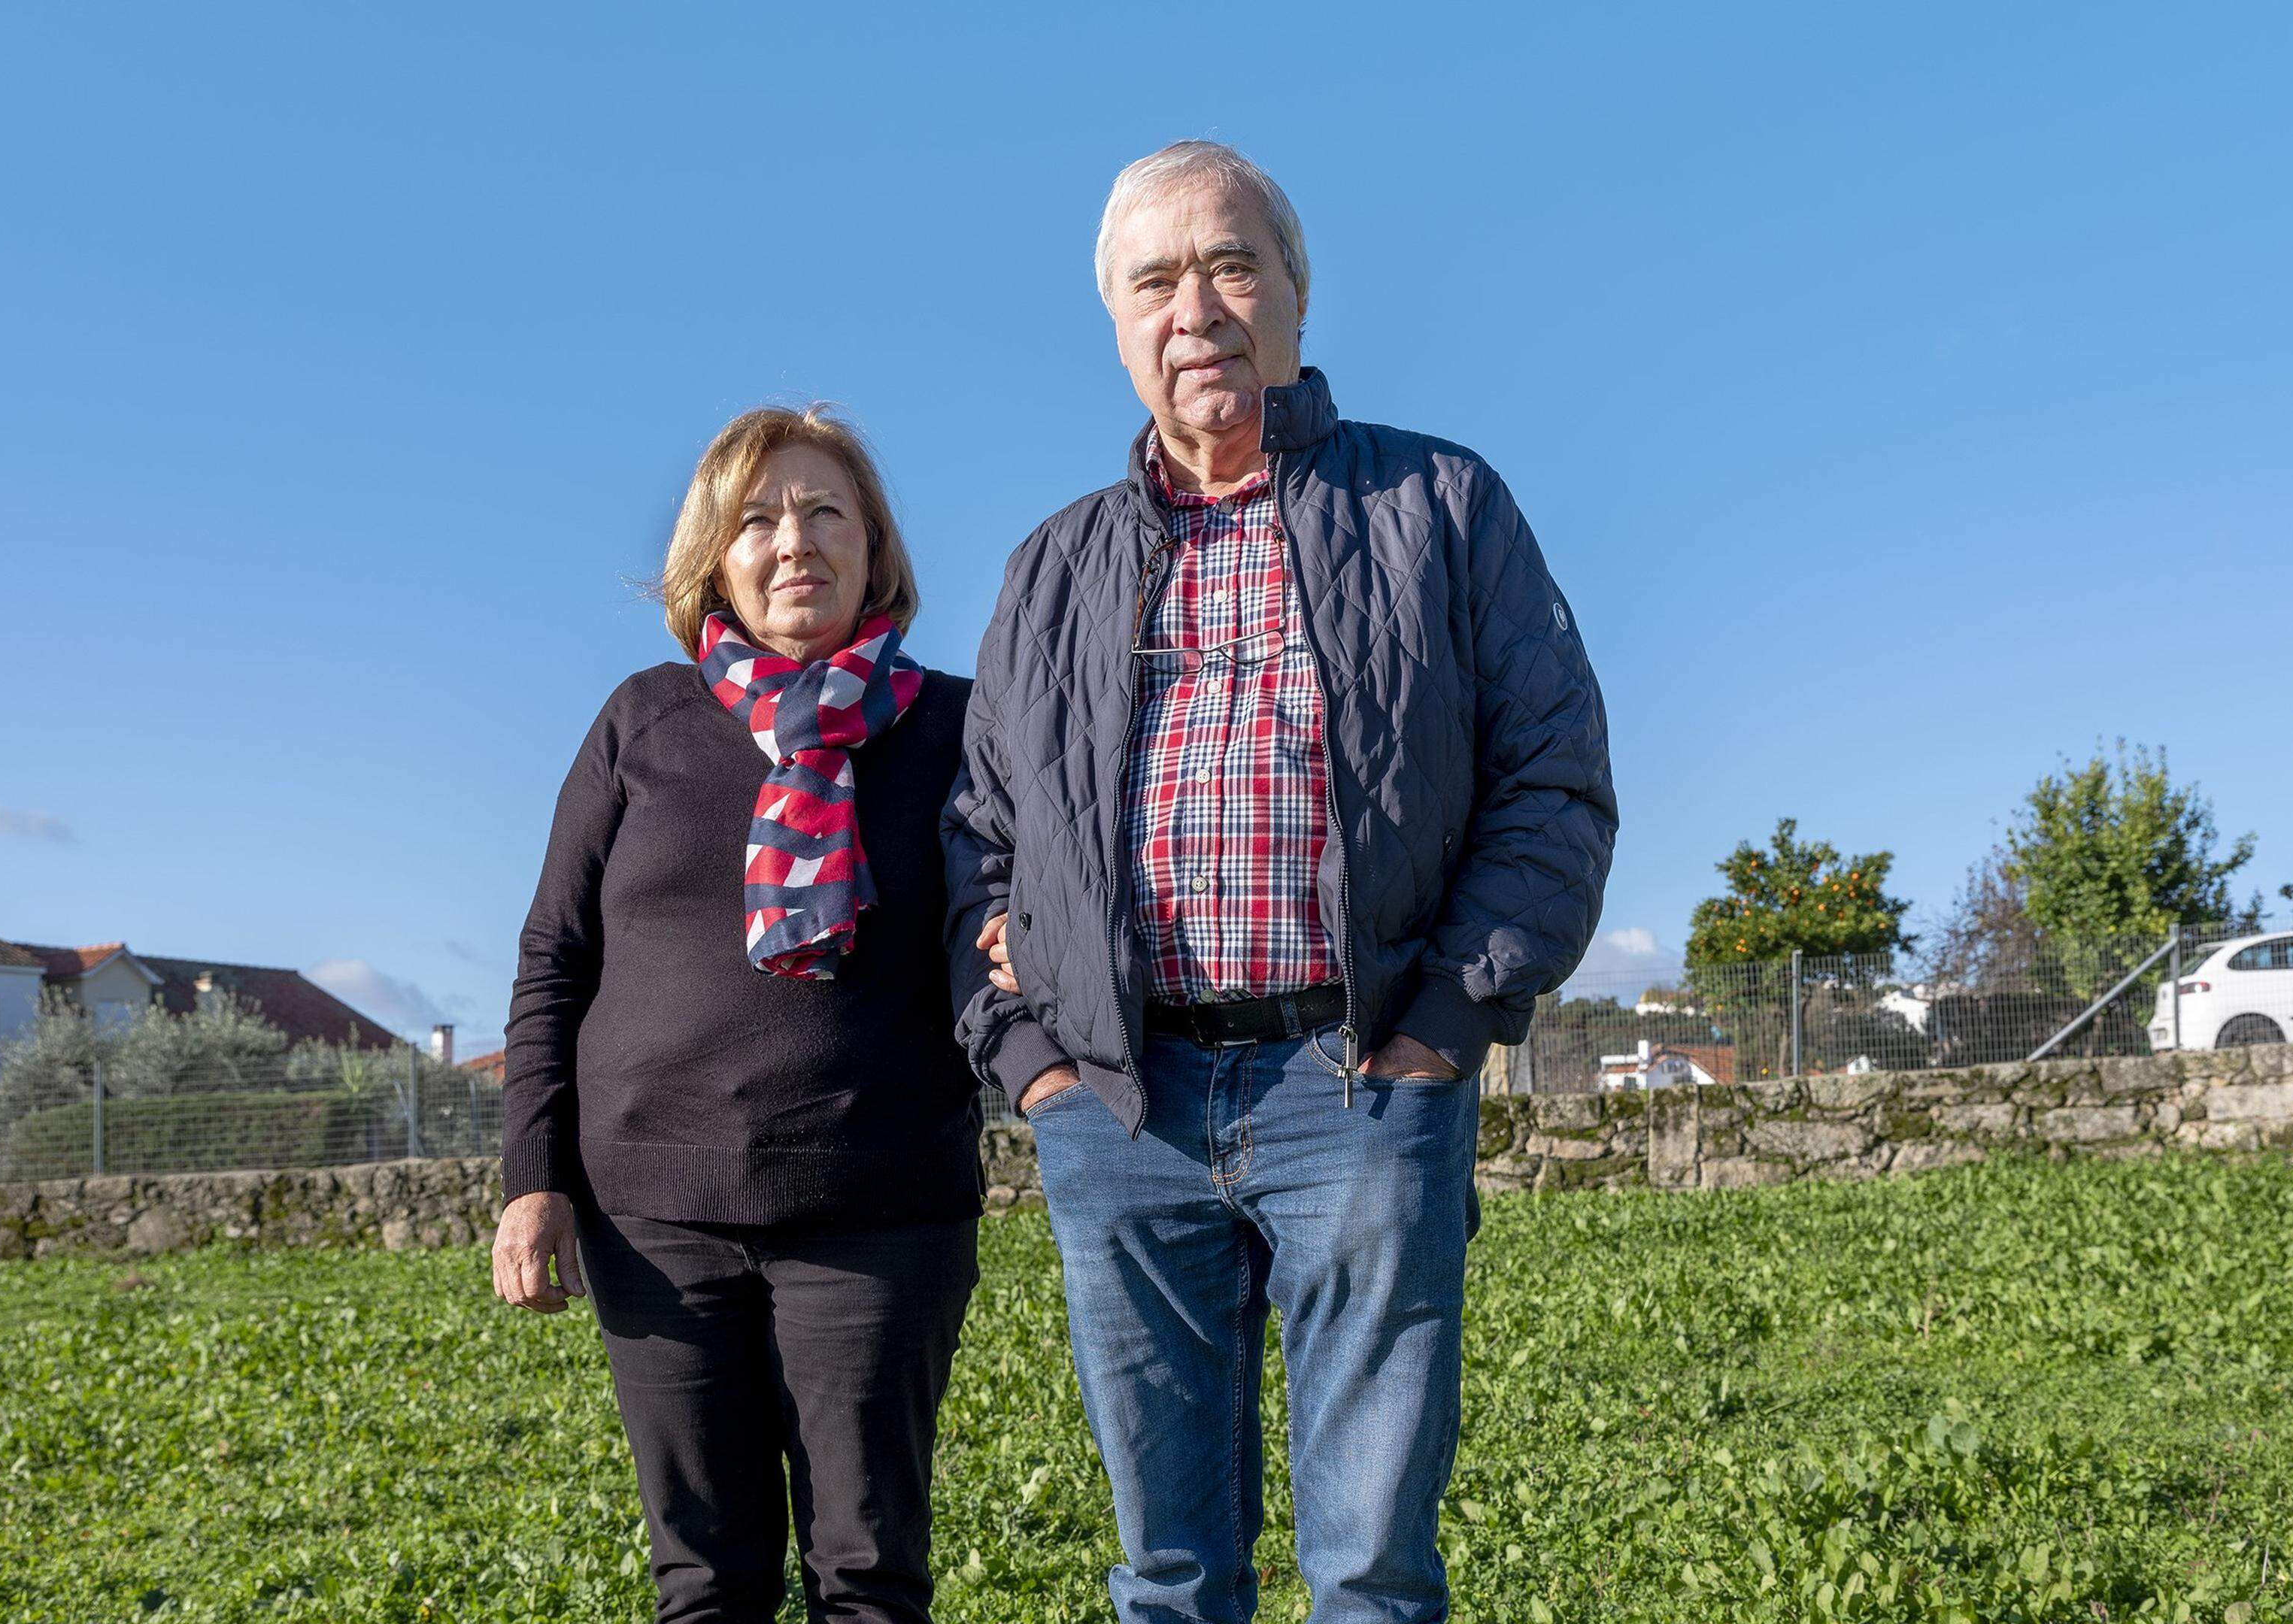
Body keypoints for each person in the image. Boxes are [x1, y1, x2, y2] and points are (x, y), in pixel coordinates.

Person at [945, 141, 1616, 1622]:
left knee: (1372, 1569)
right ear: (1118, 326)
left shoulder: (1439, 503)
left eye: (1231, 264)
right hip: (1121, 1108)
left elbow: (1552, 780)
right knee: (1167, 1572)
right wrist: (1035, 1066)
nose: (1196, 308)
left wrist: (1447, 1020)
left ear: (1299, 295)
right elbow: (975, 841)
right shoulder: (1050, 567)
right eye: (1155, 281)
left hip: (1363, 1079)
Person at [496, 406, 981, 1624]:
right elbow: (555, 952)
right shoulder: (643, 722)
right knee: (704, 1581)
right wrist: (529, 1176)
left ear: (876, 549)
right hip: (653, 1214)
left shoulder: (958, 729)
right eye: (756, 519)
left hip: (879, 1213)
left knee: (868, 1579)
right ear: (715, 557)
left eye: (825, 512)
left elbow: (1013, 922)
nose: (792, 542)